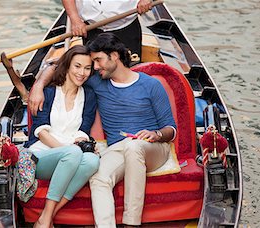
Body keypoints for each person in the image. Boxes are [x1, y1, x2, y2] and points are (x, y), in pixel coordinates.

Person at [28, 33, 176, 227]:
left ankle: (131, 224)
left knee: (134, 148)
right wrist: (38, 85)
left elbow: (171, 130)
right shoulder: (97, 81)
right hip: (118, 149)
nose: (94, 68)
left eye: (98, 61)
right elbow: (60, 68)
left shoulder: (151, 85)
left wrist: (155, 134)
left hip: (153, 148)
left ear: (114, 56)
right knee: (98, 177)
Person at [22, 45, 99, 228]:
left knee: (92, 162)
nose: (82, 73)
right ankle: (48, 216)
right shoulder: (48, 92)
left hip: (72, 155)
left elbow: (84, 129)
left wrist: (82, 143)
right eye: (77, 66)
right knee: (73, 153)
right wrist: (68, 150)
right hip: (41, 156)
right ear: (67, 66)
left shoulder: (89, 95)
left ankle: (47, 216)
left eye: (87, 68)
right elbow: (40, 130)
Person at [63, 0, 156, 62]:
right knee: (94, 75)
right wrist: (74, 19)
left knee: (128, 72)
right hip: (91, 29)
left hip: (126, 28)